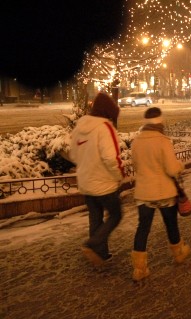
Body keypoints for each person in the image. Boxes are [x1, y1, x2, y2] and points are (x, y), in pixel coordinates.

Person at [130, 107, 191, 282]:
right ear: (160, 122)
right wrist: (180, 165)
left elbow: (135, 166)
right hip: (164, 192)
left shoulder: (136, 142)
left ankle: (139, 269)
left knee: (143, 228)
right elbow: (172, 169)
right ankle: (179, 253)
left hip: (144, 193)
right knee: (171, 224)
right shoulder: (163, 141)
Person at [69, 92, 125, 268]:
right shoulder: (105, 128)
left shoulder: (79, 128)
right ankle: (92, 244)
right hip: (104, 184)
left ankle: (100, 255)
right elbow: (111, 158)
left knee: (96, 218)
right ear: (109, 112)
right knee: (116, 215)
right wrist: (120, 176)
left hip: (86, 183)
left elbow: (73, 154)